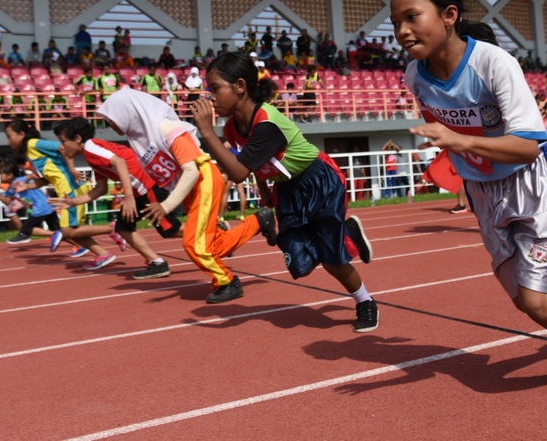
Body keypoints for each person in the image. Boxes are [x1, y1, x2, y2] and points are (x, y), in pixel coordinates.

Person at [391, 0, 547, 401]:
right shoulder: (415, 76)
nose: (402, 30)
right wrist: (453, 158)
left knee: (535, 301)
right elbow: (439, 128)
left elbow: (528, 148)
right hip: (483, 191)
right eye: (396, 21)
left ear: (449, 15)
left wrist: (457, 139)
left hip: (531, 184)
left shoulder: (494, 64)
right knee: (527, 295)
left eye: (412, 17)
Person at [189, 52, 378, 331]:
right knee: (298, 262)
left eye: (216, 88)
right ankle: (345, 235)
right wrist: (264, 190)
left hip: (318, 180)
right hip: (287, 188)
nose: (211, 97)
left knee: (330, 258)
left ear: (240, 86)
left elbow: (238, 172)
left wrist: (206, 132)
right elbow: (248, 161)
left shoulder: (267, 122)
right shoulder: (231, 128)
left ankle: (365, 301)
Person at [97, 88, 274, 302]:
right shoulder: (140, 140)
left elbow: (191, 170)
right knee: (212, 243)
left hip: (203, 180)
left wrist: (166, 205)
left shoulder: (166, 128)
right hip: (192, 191)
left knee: (194, 244)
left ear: (126, 112)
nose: (111, 125)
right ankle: (259, 220)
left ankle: (227, 281)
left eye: (111, 119)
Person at [51, 117, 176, 279]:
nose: (61, 147)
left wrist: (128, 197)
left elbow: (120, 162)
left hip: (147, 187)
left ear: (77, 138)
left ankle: (216, 232)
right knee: (123, 227)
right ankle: (157, 263)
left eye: (62, 141)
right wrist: (73, 202)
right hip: (139, 190)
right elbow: (101, 189)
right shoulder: (92, 154)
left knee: (172, 230)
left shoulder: (92, 149)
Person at [4, 118, 122, 263]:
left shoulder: (34, 143)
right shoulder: (30, 151)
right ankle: (103, 254)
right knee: (70, 231)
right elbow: (49, 178)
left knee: (67, 231)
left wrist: (72, 169)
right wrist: (27, 186)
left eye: (9, 136)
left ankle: (113, 229)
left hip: (69, 190)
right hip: (64, 191)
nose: (8, 141)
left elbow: (63, 147)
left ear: (21, 134)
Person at [0, 162, 58, 245]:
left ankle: (53, 234)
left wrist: (49, 180)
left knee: (26, 230)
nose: (0, 176)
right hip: (47, 205)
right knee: (62, 231)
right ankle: (63, 236)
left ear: (10, 175)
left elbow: (32, 176)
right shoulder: (12, 187)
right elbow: (7, 202)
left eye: (2, 174)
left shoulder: (19, 180)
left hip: (42, 207)